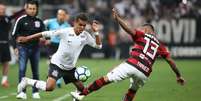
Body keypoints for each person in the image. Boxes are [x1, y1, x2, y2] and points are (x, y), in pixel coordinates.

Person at [70, 8, 186, 101]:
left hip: (133, 65)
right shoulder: (160, 45)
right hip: (144, 73)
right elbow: (170, 61)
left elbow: (129, 29)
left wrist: (118, 19)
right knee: (132, 90)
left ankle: (82, 94)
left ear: (146, 30)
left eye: (141, 28)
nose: (140, 29)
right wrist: (178, 75)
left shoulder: (142, 35)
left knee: (106, 79)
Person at [16, 13, 102, 100]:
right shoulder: (65, 31)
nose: (82, 27)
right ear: (75, 23)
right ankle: (27, 81)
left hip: (70, 68)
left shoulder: (86, 36)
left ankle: (76, 95)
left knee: (82, 90)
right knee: (49, 87)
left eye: (84, 25)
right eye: (80, 25)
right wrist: (27, 38)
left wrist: (96, 32)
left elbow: (98, 46)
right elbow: (45, 33)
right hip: (57, 64)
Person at [12, 0, 45, 99]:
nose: (32, 10)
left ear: (37, 9)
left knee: (36, 71)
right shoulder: (21, 20)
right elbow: (14, 34)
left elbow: (44, 33)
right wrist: (15, 47)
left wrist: (44, 38)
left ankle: (35, 92)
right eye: (30, 8)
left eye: (34, 8)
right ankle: (22, 92)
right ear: (26, 9)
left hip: (35, 48)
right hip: (23, 48)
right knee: (22, 70)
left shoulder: (39, 21)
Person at [43, 9, 71, 88]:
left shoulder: (67, 26)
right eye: (59, 14)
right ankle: (53, 78)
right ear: (57, 15)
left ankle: (57, 80)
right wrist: (47, 38)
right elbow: (42, 26)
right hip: (51, 45)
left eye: (63, 15)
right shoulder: (50, 22)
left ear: (65, 16)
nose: (61, 16)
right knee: (51, 62)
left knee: (60, 63)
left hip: (61, 46)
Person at [0, 3, 24, 88]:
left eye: (3, 9)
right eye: (1, 9)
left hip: (5, 44)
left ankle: (4, 81)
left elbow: (15, 15)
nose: (2, 10)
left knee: (6, 63)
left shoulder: (7, 18)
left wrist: (23, 9)